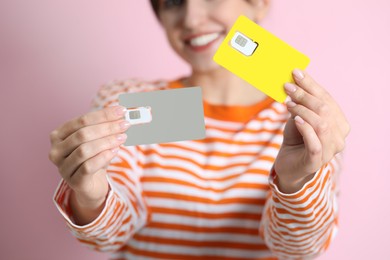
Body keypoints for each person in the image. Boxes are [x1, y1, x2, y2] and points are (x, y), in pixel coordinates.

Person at [49, 0, 350, 259]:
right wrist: (90, 194)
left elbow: (297, 250)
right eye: (174, 1)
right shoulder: (128, 101)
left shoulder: (306, 121)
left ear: (259, 2)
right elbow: (109, 235)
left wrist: (295, 181)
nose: (191, 19)